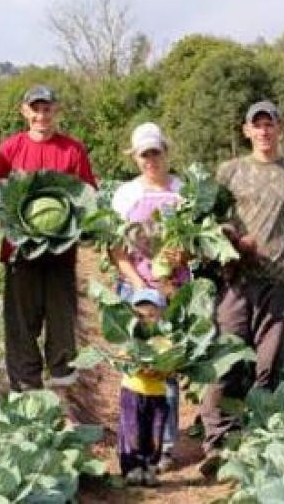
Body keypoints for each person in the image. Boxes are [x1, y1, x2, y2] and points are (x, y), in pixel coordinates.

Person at [199, 100, 284, 476]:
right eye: (258, 125)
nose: (264, 131)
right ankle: (217, 442)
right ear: (246, 130)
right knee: (227, 362)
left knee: (268, 368)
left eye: (270, 124)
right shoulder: (229, 172)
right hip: (235, 281)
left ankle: (256, 442)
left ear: (280, 128)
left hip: (278, 282)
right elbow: (206, 224)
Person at [0, 85, 97, 396]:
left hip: (61, 252)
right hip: (20, 252)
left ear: (55, 111)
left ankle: (63, 392)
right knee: (21, 324)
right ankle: (25, 390)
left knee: (62, 324)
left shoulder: (72, 150)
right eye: (35, 109)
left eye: (46, 109)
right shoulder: (10, 149)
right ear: (25, 112)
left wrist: (71, 227)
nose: (41, 115)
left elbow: (86, 196)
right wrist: (18, 226)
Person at [109, 122, 189, 472]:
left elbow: (194, 244)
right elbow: (115, 248)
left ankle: (165, 447)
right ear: (135, 157)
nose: (151, 160)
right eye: (144, 154)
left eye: (156, 152)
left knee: (167, 367)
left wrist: (173, 272)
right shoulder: (125, 195)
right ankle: (136, 448)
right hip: (136, 289)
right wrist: (140, 286)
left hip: (174, 289)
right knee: (136, 367)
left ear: (166, 152)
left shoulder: (184, 191)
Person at [118, 289, 171, 487]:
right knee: (132, 430)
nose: (146, 319)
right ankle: (132, 468)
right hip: (132, 391)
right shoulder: (130, 338)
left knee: (155, 433)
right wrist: (137, 365)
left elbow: (173, 367)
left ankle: (150, 467)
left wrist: (161, 371)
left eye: (152, 315)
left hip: (157, 394)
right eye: (140, 315)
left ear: (160, 316)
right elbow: (122, 359)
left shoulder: (165, 341)